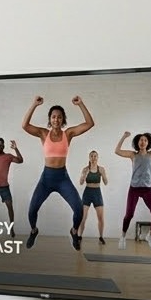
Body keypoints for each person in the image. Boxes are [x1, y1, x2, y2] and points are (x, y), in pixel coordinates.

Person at [20, 95, 95, 250]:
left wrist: (81, 104)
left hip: (62, 178)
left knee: (79, 209)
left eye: (59, 117)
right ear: (50, 119)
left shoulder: (68, 134)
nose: (56, 120)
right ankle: (34, 231)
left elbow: (89, 123)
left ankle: (74, 231)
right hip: (46, 179)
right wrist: (34, 104)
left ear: (63, 120)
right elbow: (24, 125)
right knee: (32, 210)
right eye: (53, 117)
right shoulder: (43, 134)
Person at [115, 129, 151, 250]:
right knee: (129, 214)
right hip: (134, 189)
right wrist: (124, 136)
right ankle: (123, 236)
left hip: (147, 189)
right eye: (141, 140)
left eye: (145, 140)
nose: (143, 142)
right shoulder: (133, 155)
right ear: (137, 142)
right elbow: (117, 151)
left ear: (148, 143)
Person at [76, 150, 110, 245]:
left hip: (97, 193)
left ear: (97, 158)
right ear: (89, 158)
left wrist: (103, 175)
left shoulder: (101, 169)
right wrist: (84, 175)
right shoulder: (85, 169)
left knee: (101, 218)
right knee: (83, 217)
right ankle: (79, 236)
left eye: (95, 156)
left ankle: (101, 237)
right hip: (87, 193)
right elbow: (81, 183)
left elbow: (106, 183)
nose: (93, 158)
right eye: (92, 156)